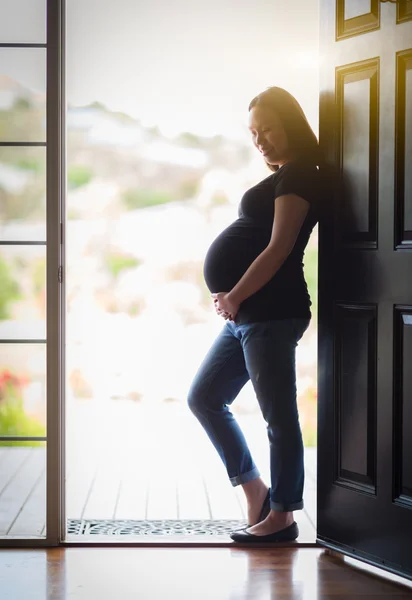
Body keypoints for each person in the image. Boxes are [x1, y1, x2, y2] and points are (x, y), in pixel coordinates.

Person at [187, 86, 328, 543]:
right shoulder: (284, 175)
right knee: (204, 397)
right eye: (253, 132)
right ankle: (255, 490)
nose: (260, 139)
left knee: (278, 416)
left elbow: (279, 249)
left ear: (291, 124)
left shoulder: (300, 176)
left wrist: (234, 295)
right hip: (249, 315)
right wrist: (233, 300)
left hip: (270, 310)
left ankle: (283, 515)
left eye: (268, 128)